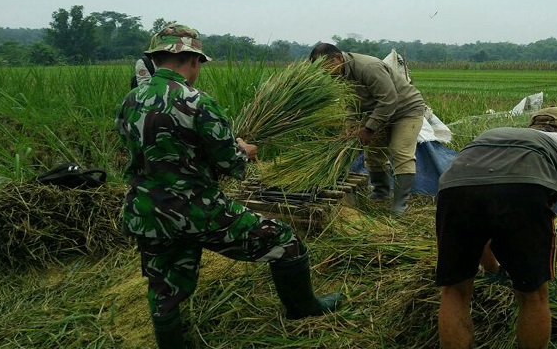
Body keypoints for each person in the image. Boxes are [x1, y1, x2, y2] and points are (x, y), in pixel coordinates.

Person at [116, 24, 342, 348]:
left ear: (157, 58)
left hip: (147, 212)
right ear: (193, 61)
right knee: (285, 240)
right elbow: (230, 164)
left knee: (164, 288)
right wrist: (244, 151)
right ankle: (304, 310)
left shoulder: (130, 100)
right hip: (196, 210)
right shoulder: (198, 102)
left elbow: (136, 147)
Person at [434, 107, 557, 349]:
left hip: (455, 185)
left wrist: (493, 270)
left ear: (530, 127)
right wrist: (542, 267)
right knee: (533, 296)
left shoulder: (495, 135)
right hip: (525, 188)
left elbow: (482, 221)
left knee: (454, 292)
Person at [309, 43, 427, 215]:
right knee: (373, 154)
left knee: (400, 152)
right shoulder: (339, 74)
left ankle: (400, 205)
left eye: (325, 67)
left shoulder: (368, 67)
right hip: (378, 112)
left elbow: (389, 100)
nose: (324, 73)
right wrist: (351, 125)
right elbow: (351, 102)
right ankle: (381, 193)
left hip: (405, 110)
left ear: (338, 59)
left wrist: (369, 128)